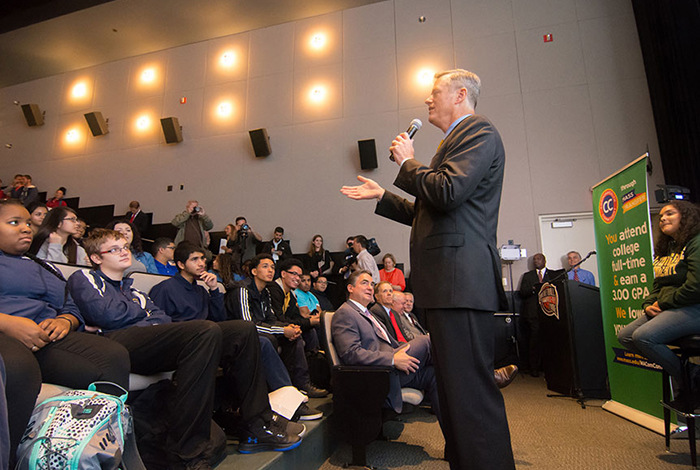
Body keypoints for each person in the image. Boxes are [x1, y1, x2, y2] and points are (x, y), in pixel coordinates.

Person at [340, 69, 515, 469]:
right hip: (448, 283)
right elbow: (430, 210)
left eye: (434, 92)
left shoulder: (477, 131)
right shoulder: (452, 143)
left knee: (470, 393)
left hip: (460, 281)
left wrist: (407, 163)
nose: (427, 100)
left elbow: (447, 191)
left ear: (460, 94)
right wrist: (383, 194)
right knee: (454, 393)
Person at [67, 229, 300, 467]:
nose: (124, 252)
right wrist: (143, 315)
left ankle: (256, 424)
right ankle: (189, 449)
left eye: (125, 247)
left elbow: (162, 319)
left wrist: (144, 316)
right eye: (114, 249)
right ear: (96, 258)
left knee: (243, 330)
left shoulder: (133, 290)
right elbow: (107, 315)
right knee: (204, 330)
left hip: (149, 339)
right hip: (117, 343)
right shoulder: (85, 278)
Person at [0, 200, 130, 468]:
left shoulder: (43, 266)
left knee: (111, 356)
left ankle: (91, 454)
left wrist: (66, 320)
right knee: (18, 367)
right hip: (6, 334)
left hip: (46, 336)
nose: (26, 228)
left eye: (27, 223)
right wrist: (7, 323)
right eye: (14, 222)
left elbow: (69, 306)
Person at [618, 201, 700, 406]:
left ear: (686, 216)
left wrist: (663, 304)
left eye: (670, 213)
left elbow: (696, 286)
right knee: (626, 336)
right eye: (661, 216)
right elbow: (659, 283)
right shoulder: (668, 247)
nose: (663, 218)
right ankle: (692, 375)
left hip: (693, 306)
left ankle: (689, 385)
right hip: (671, 307)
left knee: (644, 336)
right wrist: (647, 304)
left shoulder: (696, 243)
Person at [332, 271, 442, 421]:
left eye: (372, 284)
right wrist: (392, 359)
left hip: (392, 367)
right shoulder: (345, 313)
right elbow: (351, 354)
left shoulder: (367, 314)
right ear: (350, 288)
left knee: (434, 373)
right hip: (380, 373)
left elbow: (393, 343)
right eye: (364, 283)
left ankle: (453, 434)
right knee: (426, 341)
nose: (370, 287)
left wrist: (404, 348)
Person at [226, 254, 328, 399]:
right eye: (265, 266)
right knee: (269, 341)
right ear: (254, 271)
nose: (270, 270)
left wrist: (291, 327)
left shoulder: (265, 292)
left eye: (272, 267)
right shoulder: (243, 290)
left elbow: (271, 319)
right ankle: (286, 395)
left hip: (260, 332)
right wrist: (282, 330)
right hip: (240, 337)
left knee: (295, 337)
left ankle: (301, 385)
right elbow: (247, 326)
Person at [519, 253, 564, 377]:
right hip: (533, 313)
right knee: (534, 340)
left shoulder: (554, 275)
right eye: (534, 260)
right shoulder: (528, 276)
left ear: (545, 260)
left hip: (550, 312)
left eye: (538, 259)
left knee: (551, 340)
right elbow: (522, 292)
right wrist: (535, 288)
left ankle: (551, 367)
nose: (536, 261)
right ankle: (534, 367)